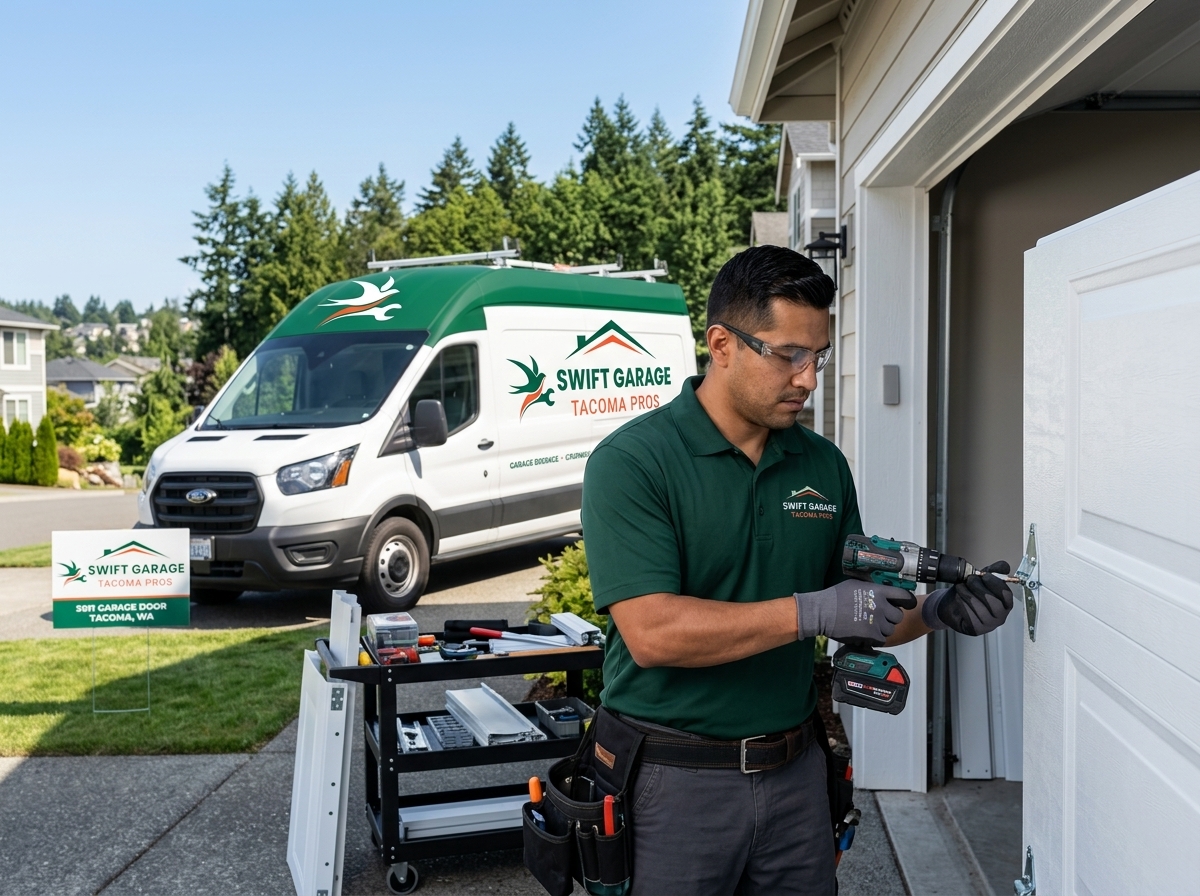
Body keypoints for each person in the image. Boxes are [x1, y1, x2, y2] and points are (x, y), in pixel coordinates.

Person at [580, 245, 1013, 895]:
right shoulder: (635, 462)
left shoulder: (821, 466)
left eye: (819, 357)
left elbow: (863, 612)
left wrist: (935, 612)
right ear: (721, 344)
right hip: (673, 781)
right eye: (789, 355)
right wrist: (810, 611)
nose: (809, 379)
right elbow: (652, 633)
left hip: (795, 778)